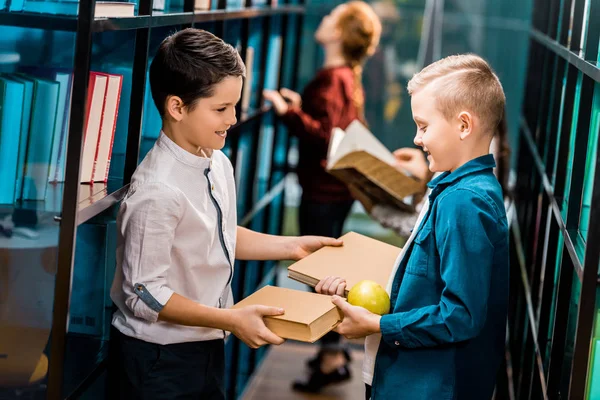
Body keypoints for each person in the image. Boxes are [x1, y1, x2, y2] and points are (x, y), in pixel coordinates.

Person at [107, 28, 342, 400]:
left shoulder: (218, 162)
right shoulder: (157, 192)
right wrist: (230, 320)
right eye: (221, 108)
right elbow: (145, 293)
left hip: (207, 345)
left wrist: (293, 246)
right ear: (177, 107)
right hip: (156, 360)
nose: (233, 118)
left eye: (235, 105)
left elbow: (219, 235)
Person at [317, 54, 510, 400]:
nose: (417, 139)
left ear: (464, 126)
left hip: (429, 387)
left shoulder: (465, 201)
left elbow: (460, 316)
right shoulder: (452, 189)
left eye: (423, 126)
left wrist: (377, 325)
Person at [262, 1, 382, 392]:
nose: (325, 19)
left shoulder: (333, 77)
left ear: (338, 33)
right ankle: (333, 353)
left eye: (332, 18)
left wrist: (287, 112)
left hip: (323, 190)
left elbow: (325, 137)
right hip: (338, 191)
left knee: (320, 277)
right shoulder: (346, 76)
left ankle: (332, 356)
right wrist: (301, 107)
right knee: (328, 273)